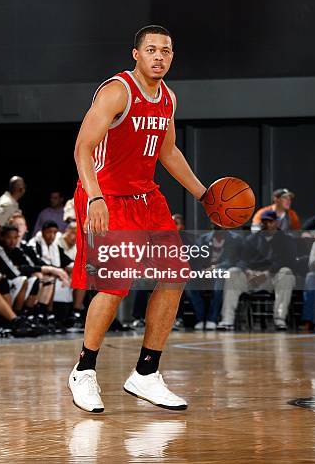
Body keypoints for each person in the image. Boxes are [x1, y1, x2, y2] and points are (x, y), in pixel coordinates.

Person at [68, 25, 209, 413]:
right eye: (151, 49)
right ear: (136, 54)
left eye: (166, 50)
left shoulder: (167, 98)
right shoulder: (117, 91)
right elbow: (82, 150)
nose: (159, 56)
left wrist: (203, 193)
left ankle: (146, 373)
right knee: (115, 285)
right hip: (106, 196)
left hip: (146, 195)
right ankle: (84, 369)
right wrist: (95, 197)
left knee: (175, 276)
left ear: (172, 56)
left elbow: (168, 152)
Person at [218, 210, 296, 331]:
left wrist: (267, 272)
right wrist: (248, 271)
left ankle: (279, 318)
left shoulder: (286, 240)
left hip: (273, 278)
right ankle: (227, 320)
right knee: (233, 272)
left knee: (286, 273)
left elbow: (288, 261)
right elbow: (241, 260)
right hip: (252, 278)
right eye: (264, 222)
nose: (267, 225)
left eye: (270, 222)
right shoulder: (251, 239)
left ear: (277, 222)